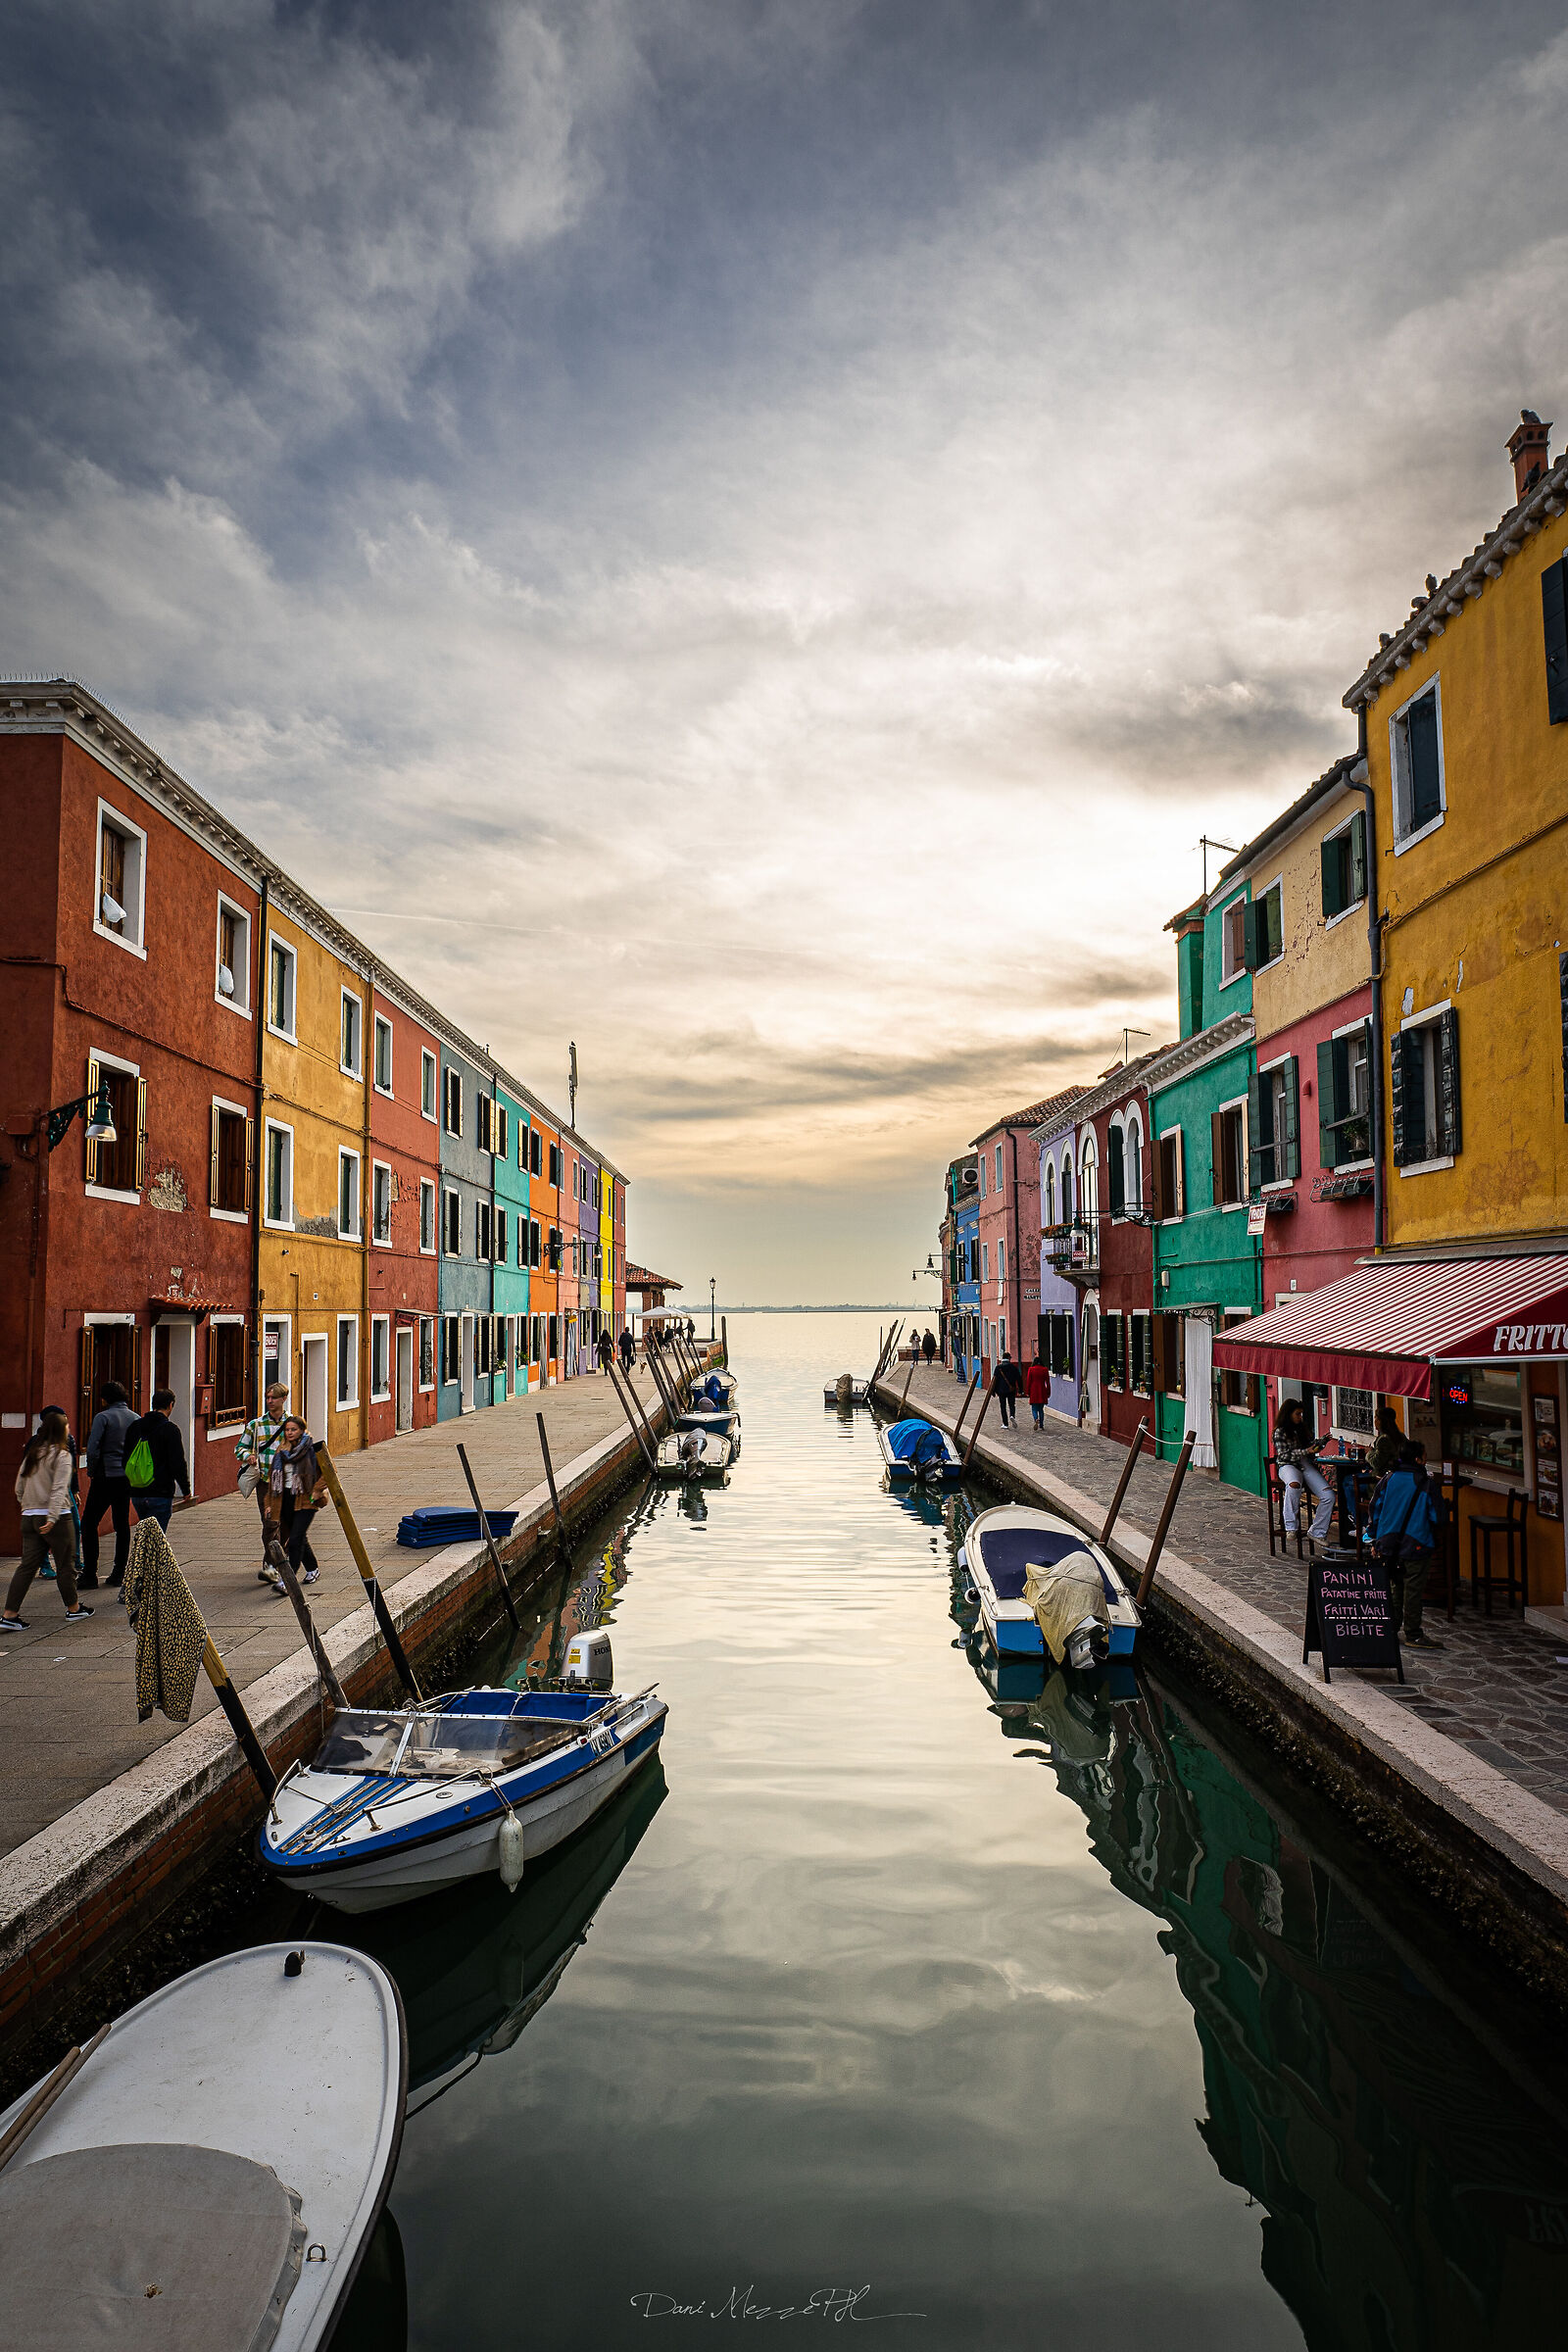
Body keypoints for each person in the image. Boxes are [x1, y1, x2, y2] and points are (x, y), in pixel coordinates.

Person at [4, 1409, 93, 1629]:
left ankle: (10, 1615)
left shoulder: (34, 1452)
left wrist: (27, 1505)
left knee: (26, 1567)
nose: (69, 1429)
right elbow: (59, 1489)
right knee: (65, 1564)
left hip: (29, 1516)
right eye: (67, 1426)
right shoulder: (62, 1455)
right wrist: (52, 1517)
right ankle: (73, 1609)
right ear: (61, 1430)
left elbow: (19, 1486)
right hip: (57, 1518)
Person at [1369, 1441, 1445, 1650]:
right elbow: (1437, 1517)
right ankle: (1413, 1633)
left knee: (1395, 1587)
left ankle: (1391, 1629)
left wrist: (1374, 1538)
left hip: (1389, 1544)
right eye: (1425, 1454)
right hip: (1417, 1543)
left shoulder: (1388, 1479)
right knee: (1413, 1590)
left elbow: (1375, 1509)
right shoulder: (1426, 1484)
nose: (1427, 1457)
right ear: (1418, 1459)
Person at [79, 1380, 137, 1589]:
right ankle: (119, 1572)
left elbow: (93, 1449)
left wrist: (93, 1471)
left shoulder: (102, 1417)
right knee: (122, 1524)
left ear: (105, 1399)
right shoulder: (135, 1418)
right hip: (126, 1478)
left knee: (88, 1523)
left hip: (105, 1475)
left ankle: (89, 1573)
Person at [236, 1385, 290, 1583]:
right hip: (266, 1483)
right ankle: (271, 1564)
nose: (269, 1401)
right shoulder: (256, 1425)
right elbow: (239, 1447)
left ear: (284, 1398)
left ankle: (278, 1563)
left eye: (274, 1398)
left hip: (287, 1482)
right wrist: (248, 1455)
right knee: (270, 1523)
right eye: (267, 1397)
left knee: (285, 1525)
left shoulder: (292, 1423)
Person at [266, 1415, 325, 1589]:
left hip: (306, 1500)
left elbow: (329, 1474)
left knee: (294, 1540)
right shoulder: (281, 1450)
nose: (289, 1433)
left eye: (293, 1429)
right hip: (285, 1500)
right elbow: (272, 1479)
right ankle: (313, 1569)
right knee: (299, 1537)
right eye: (287, 1430)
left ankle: (287, 1581)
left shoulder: (312, 1449)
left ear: (302, 1430)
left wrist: (316, 1490)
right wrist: (269, 1503)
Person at [1273, 1396, 1334, 1543]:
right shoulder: (1279, 1432)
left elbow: (1309, 1445)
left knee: (1329, 1496)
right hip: (1287, 1465)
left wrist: (1321, 1442)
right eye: (1297, 1414)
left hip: (1304, 1463)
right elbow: (1284, 1455)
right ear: (1288, 1414)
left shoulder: (1301, 1429)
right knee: (1294, 1485)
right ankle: (1291, 1527)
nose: (1300, 1417)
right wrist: (1307, 1451)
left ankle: (1317, 1531)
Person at [1367, 1405, 1403, 1481]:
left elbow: (1376, 1463)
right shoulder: (1401, 1436)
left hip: (1383, 1479)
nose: (1374, 1421)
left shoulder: (1384, 1439)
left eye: (1375, 1418)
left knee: (1347, 1482)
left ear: (1380, 1421)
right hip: (1398, 1475)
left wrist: (1369, 1452)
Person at [992, 1350, 1020, 1428]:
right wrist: (1021, 1390)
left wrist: (993, 1391)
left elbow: (994, 1380)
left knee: (1003, 1407)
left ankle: (1005, 1424)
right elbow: (1019, 1378)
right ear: (1008, 1358)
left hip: (1001, 1390)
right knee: (1012, 1405)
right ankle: (1012, 1415)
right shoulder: (1013, 1367)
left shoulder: (998, 1368)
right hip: (1011, 1389)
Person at [1025, 1352, 1050, 1431]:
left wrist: (1028, 1391)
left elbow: (1028, 1381)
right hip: (1042, 1390)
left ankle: (1036, 1419)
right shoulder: (1045, 1370)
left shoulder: (1031, 1370)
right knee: (1041, 1409)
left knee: (1034, 1408)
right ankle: (1041, 1424)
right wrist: (1048, 1392)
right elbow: (1047, 1382)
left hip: (1034, 1390)